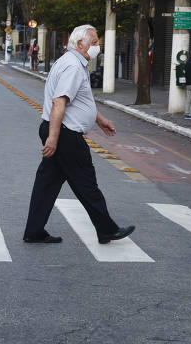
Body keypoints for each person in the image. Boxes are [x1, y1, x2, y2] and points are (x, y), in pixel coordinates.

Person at [23, 24, 134, 245]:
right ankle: (107, 229)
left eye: (97, 42)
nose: (97, 47)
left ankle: (34, 231)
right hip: (65, 135)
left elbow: (80, 100)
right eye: (93, 43)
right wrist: (53, 138)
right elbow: (59, 102)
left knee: (47, 183)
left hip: (59, 130)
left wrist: (99, 119)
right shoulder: (73, 66)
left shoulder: (71, 62)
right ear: (80, 43)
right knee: (86, 182)